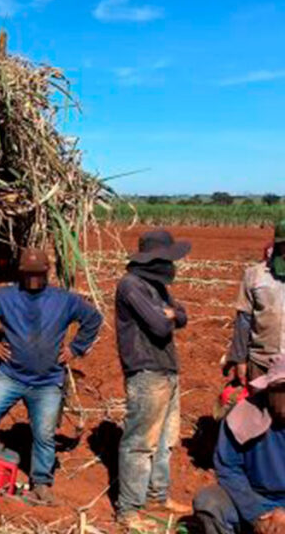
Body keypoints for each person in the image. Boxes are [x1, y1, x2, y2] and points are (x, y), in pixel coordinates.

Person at [0, 247, 102, 506]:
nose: (33, 279)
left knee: (44, 435)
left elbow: (93, 318)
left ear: (47, 272)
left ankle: (41, 483)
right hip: (9, 376)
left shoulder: (64, 300)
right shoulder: (5, 297)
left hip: (47, 382)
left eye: (38, 273)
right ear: (20, 272)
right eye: (28, 273)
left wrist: (74, 349)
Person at [114, 229, 192, 528]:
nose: (172, 265)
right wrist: (170, 314)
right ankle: (129, 510)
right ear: (153, 259)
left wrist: (171, 313)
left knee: (165, 440)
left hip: (167, 369)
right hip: (146, 372)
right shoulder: (131, 285)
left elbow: (182, 316)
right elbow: (161, 326)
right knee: (140, 443)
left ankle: (158, 496)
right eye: (168, 259)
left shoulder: (156, 287)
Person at [193, 356, 285, 534]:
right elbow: (228, 468)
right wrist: (257, 515)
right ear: (270, 389)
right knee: (210, 502)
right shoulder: (243, 416)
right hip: (256, 499)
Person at [225, 220, 285, 385]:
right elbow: (243, 321)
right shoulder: (254, 275)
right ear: (278, 245)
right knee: (258, 408)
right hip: (261, 362)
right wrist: (239, 360)